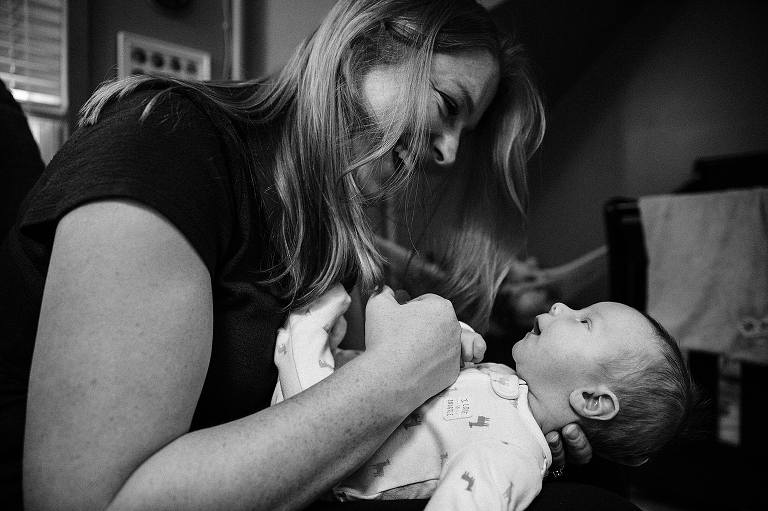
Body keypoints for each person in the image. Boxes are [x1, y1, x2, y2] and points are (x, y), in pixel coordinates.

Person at [0, 1, 602, 510]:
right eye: (448, 105)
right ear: (363, 45)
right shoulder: (165, 143)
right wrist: (396, 376)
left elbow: (331, 411)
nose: (448, 152)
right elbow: (92, 501)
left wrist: (513, 434)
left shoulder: (323, 225)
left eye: (463, 134)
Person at [273, 285, 702, 510]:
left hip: (329, 460)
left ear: (591, 399)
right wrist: (456, 343)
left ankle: (304, 330)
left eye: (584, 322)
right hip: (356, 407)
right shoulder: (510, 386)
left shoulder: (511, 456)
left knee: (312, 318)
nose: (561, 308)